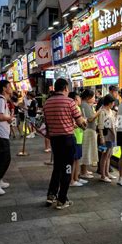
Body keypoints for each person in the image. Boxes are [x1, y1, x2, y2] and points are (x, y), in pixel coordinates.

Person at [43, 78, 87, 209]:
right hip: (67, 140)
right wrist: (83, 125)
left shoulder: (47, 103)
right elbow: (80, 123)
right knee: (67, 169)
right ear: (66, 88)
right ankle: (62, 200)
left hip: (55, 141)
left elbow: (48, 123)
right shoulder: (70, 102)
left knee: (57, 167)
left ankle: (51, 195)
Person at [79, 89, 100, 179]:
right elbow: (90, 119)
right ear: (88, 97)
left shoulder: (85, 104)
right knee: (86, 152)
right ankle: (83, 171)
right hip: (87, 131)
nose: (94, 98)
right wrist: (99, 112)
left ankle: (85, 170)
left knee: (87, 152)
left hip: (88, 130)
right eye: (93, 97)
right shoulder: (85, 105)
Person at [68, 92, 88, 187]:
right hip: (75, 136)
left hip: (79, 136)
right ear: (75, 99)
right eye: (79, 97)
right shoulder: (74, 108)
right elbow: (73, 123)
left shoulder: (78, 108)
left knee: (77, 159)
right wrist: (83, 122)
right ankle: (72, 180)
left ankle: (76, 177)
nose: (80, 99)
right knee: (74, 160)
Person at [98, 95, 117, 183]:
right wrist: (101, 138)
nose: (114, 104)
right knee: (104, 155)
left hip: (111, 136)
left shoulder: (111, 111)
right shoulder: (102, 112)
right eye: (113, 102)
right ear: (109, 103)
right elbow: (100, 126)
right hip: (105, 137)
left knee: (108, 155)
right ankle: (103, 175)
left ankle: (106, 172)